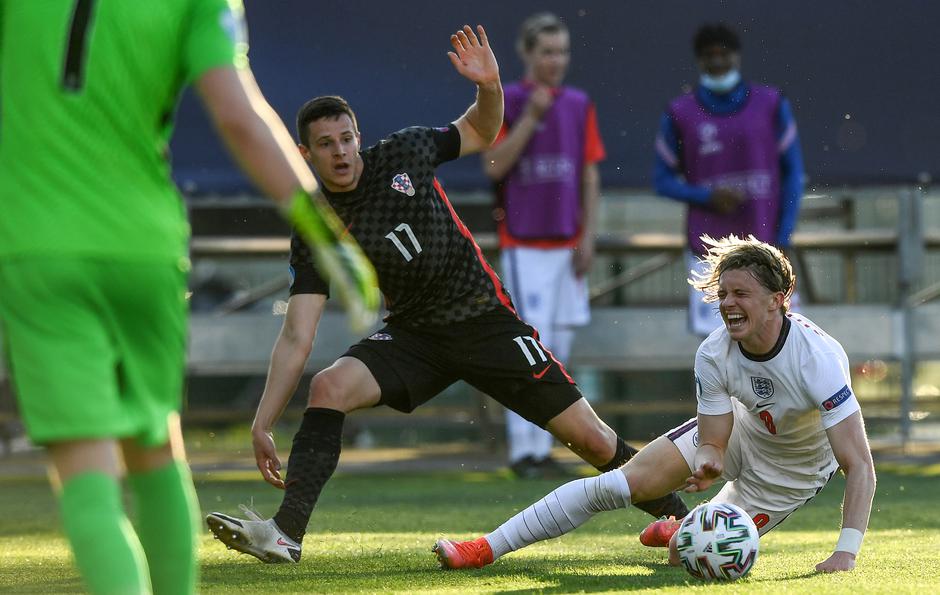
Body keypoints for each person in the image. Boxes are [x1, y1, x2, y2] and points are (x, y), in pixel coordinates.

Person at [206, 25, 688, 564]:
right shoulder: (316, 225)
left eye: (346, 139)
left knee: (595, 441)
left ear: (358, 135)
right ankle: (287, 533)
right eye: (326, 145)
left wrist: (489, 86)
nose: (341, 152)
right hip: (415, 335)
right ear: (306, 153)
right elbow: (297, 332)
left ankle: (687, 522)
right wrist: (263, 422)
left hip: (484, 319)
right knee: (329, 386)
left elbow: (482, 132)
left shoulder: (405, 151)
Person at [0, 2, 365, 593]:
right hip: (143, 247)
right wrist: (318, 222)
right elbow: (239, 117)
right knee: (154, 452)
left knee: (86, 471)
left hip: (36, 248)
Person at [434, 235, 876, 574]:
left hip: (792, 473)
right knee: (617, 485)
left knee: (690, 558)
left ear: (777, 300)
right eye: (723, 294)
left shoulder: (817, 359)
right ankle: (484, 548)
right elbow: (716, 441)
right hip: (745, 431)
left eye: (740, 294)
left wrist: (846, 552)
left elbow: (858, 464)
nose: (727, 304)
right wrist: (707, 460)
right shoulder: (713, 352)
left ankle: (678, 531)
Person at [482, 12, 605, 479]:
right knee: (528, 348)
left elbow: (589, 173)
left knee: (561, 349)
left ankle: (548, 447)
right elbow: (495, 166)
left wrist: (587, 235)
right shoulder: (508, 100)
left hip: (567, 245)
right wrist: (530, 118)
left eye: (562, 51)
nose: (556, 60)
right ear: (527, 54)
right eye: (547, 51)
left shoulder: (578, 103)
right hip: (525, 243)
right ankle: (523, 452)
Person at [654, 23, 805, 336]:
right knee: (718, 343)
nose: (718, 62)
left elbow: (793, 175)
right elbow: (661, 180)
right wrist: (706, 197)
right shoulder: (681, 112)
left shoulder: (771, 104)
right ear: (699, 60)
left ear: (737, 57)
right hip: (708, 252)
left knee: (777, 337)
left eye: (725, 54)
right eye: (710, 55)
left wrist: (784, 237)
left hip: (767, 246)